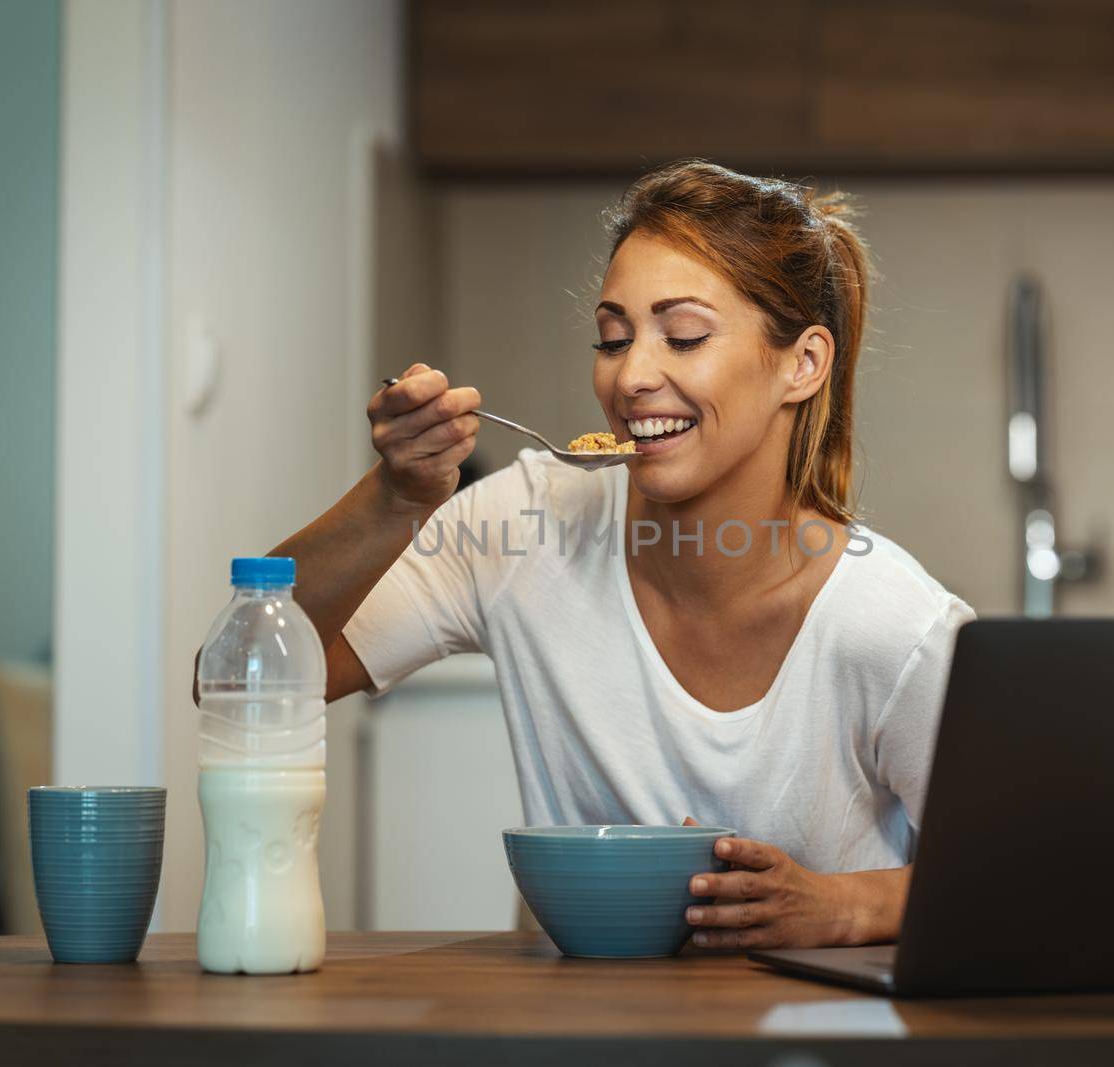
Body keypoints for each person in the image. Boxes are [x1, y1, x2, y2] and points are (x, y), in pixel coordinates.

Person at [266, 160, 975, 949]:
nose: (632, 375)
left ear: (802, 364)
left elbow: (1026, 874)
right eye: (613, 337)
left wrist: (844, 906)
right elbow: (247, 674)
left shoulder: (894, 627)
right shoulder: (525, 524)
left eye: (684, 336)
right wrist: (394, 499)